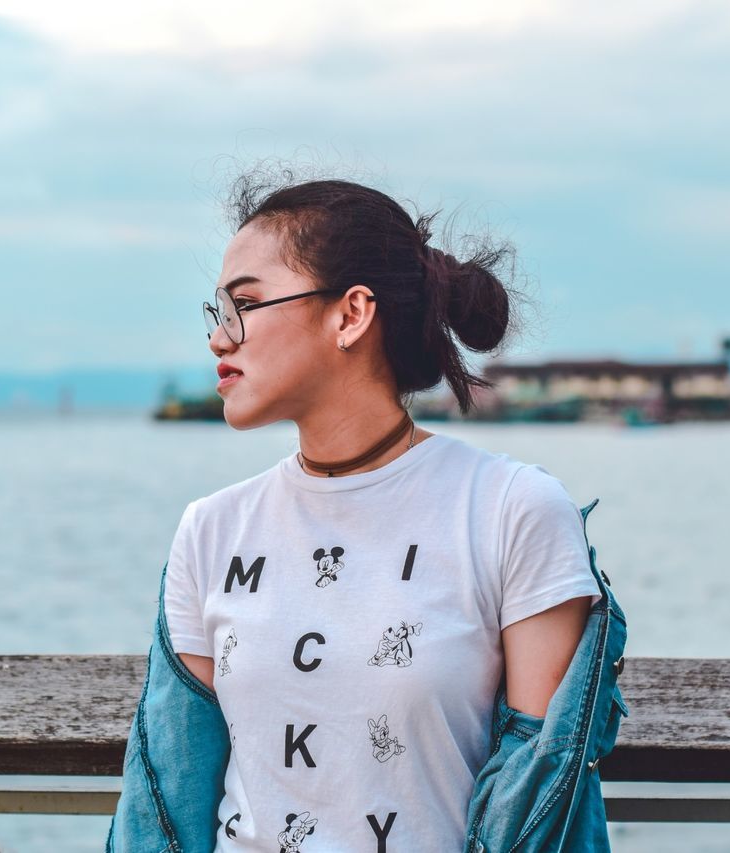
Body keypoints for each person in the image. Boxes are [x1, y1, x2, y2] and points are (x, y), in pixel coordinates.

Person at [120, 177, 610, 851]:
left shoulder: (510, 510)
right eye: (217, 311)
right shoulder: (211, 530)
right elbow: (167, 801)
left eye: (246, 304)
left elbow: (536, 808)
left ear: (350, 315)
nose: (217, 338)